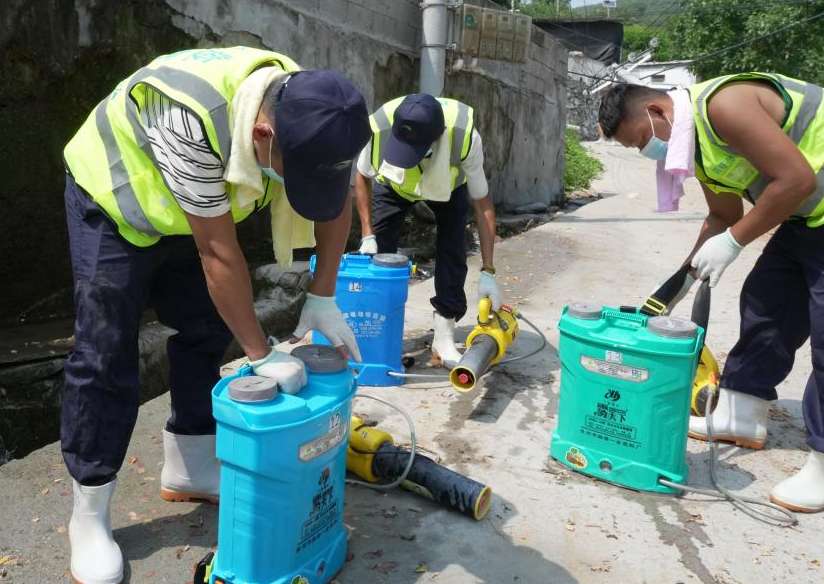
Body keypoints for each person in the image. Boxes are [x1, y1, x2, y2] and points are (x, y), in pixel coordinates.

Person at [60, 46, 371, 584]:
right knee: (104, 351)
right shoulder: (190, 117)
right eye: (297, 174)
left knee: (205, 326)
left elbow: (336, 200)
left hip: (192, 208)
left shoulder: (318, 110)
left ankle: (190, 465)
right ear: (262, 136)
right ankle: (88, 512)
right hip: (114, 199)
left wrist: (323, 295)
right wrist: (261, 353)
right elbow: (218, 254)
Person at [598, 72, 824, 513]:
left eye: (641, 141)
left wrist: (734, 242)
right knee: (767, 300)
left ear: (656, 111)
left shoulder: (724, 106)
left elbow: (795, 181)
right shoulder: (694, 144)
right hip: (813, 207)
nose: (646, 151)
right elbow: (723, 216)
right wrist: (678, 284)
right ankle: (741, 412)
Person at [353, 94, 499, 367]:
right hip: (394, 185)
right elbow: (362, 176)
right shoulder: (380, 126)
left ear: (439, 136)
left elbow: (482, 204)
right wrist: (367, 235)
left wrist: (488, 270)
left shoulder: (464, 136)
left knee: (453, 250)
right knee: (376, 259)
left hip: (447, 188)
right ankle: (375, 329)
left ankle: (444, 335)